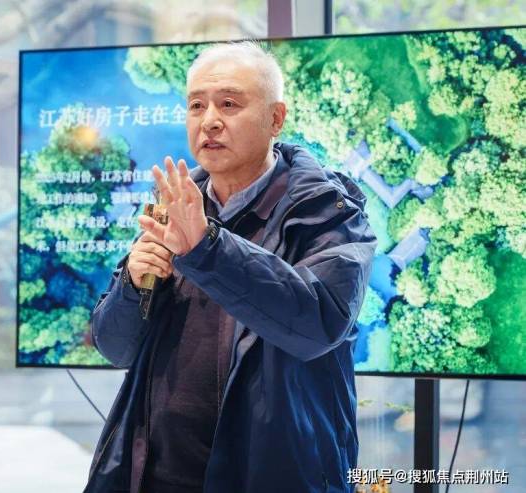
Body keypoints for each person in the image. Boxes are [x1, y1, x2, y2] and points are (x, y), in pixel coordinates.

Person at [83, 41, 377, 493]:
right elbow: (116, 347)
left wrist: (207, 248)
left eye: (229, 104)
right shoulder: (175, 203)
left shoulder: (328, 211)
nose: (209, 121)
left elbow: (319, 322)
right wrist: (131, 285)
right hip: (153, 476)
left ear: (276, 119)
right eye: (196, 106)